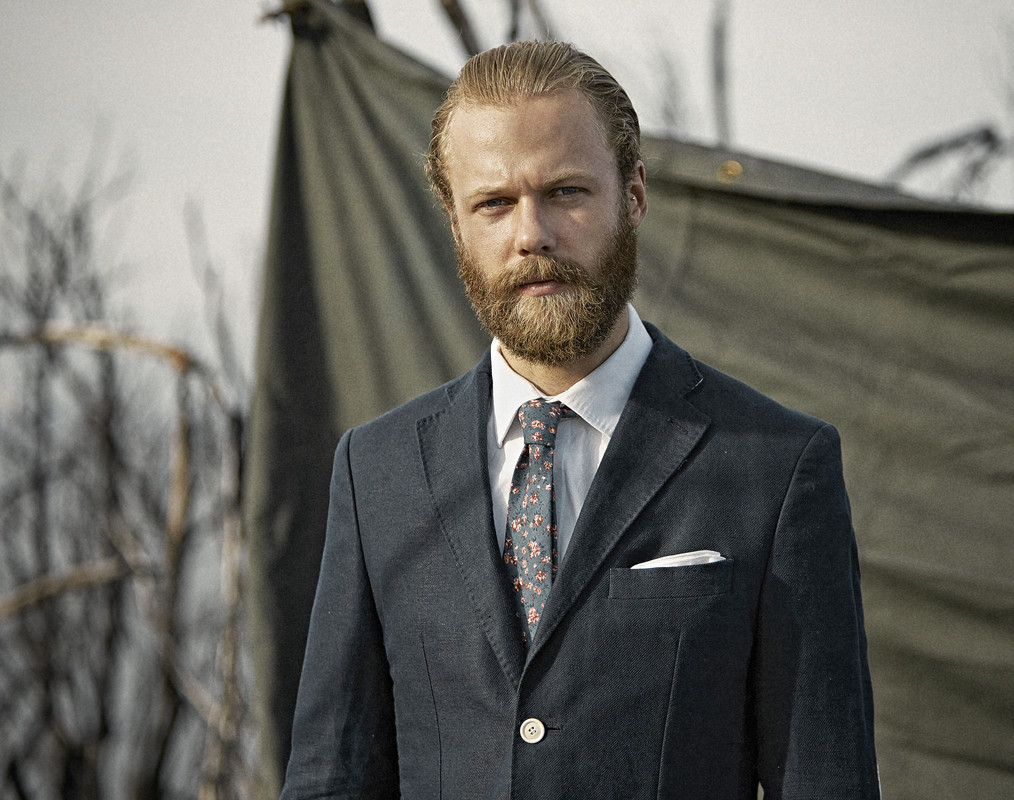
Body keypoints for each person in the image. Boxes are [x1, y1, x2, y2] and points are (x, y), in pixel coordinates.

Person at [280, 40, 879, 800]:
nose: (532, 233)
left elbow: (827, 779)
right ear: (454, 222)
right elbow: (330, 778)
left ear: (634, 195)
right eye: (494, 203)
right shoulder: (377, 471)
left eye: (565, 192)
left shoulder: (777, 467)